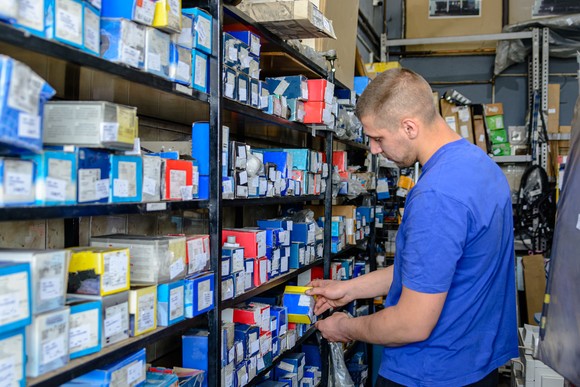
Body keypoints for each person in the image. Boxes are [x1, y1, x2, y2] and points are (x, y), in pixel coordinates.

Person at [307, 68, 518, 386]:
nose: (375, 149)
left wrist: (346, 327)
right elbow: (433, 270)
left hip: (430, 372)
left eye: (378, 138)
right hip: (476, 365)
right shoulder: (481, 166)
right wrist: (348, 289)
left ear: (409, 126)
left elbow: (410, 325)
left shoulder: (436, 195)